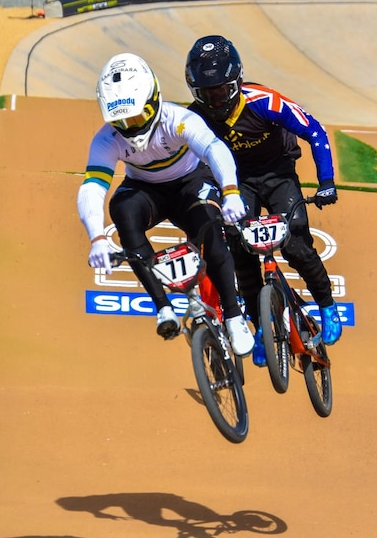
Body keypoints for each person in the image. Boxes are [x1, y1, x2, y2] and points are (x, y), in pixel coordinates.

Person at [77, 52, 255, 356]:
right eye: (120, 122)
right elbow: (92, 187)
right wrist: (96, 238)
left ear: (154, 100)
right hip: (146, 190)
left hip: (190, 182)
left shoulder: (179, 120)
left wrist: (230, 191)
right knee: (122, 211)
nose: (130, 128)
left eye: (136, 118)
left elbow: (215, 150)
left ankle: (234, 316)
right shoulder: (106, 139)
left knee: (211, 234)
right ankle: (163, 308)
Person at [184, 35, 342, 368]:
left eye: (221, 91)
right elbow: (186, 162)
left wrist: (326, 182)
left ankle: (327, 306)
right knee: (242, 256)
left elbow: (314, 130)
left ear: (237, 83)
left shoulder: (264, 100)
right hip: (238, 184)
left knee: (296, 246)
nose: (214, 101)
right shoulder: (193, 118)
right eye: (206, 94)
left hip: (278, 174)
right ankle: (261, 330)